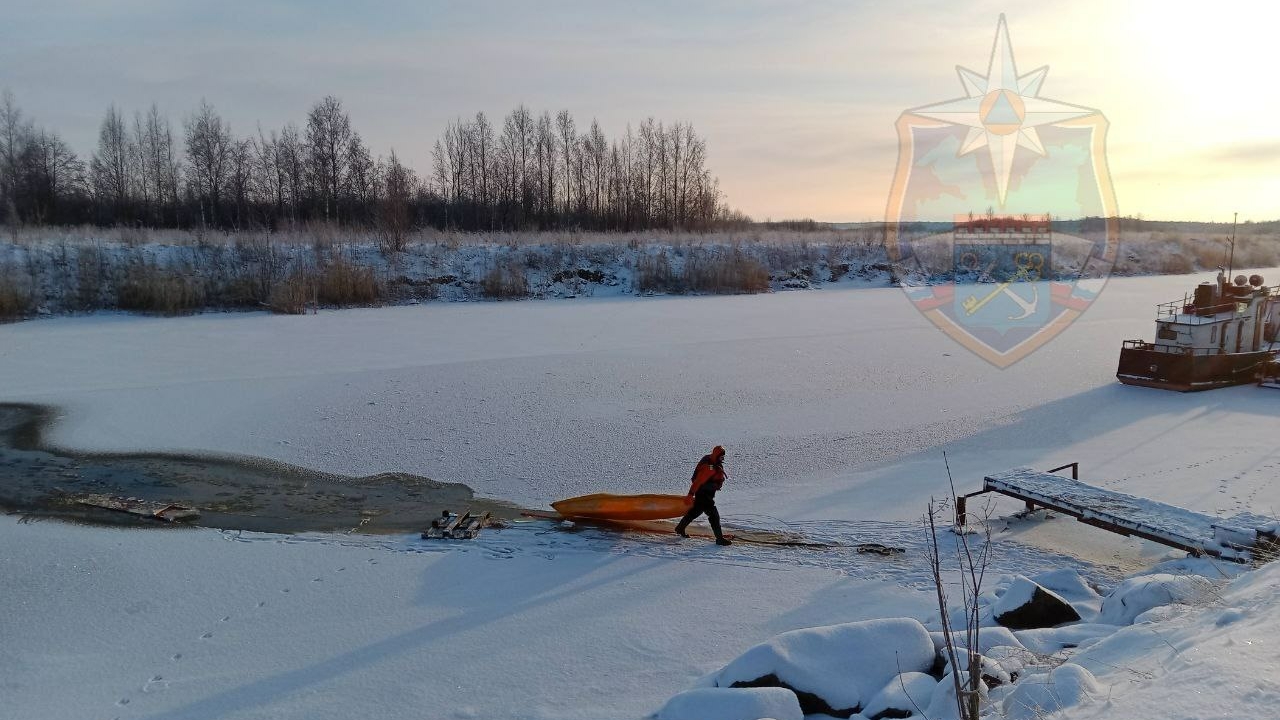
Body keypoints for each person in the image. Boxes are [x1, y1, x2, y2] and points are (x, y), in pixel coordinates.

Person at [674, 445, 731, 545]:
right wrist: (690, 495)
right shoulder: (709, 468)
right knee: (714, 515)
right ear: (717, 456)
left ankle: (680, 528)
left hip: (705, 493)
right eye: (721, 456)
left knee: (696, 511)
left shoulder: (713, 462)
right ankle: (719, 539)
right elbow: (697, 482)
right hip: (704, 494)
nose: (723, 458)